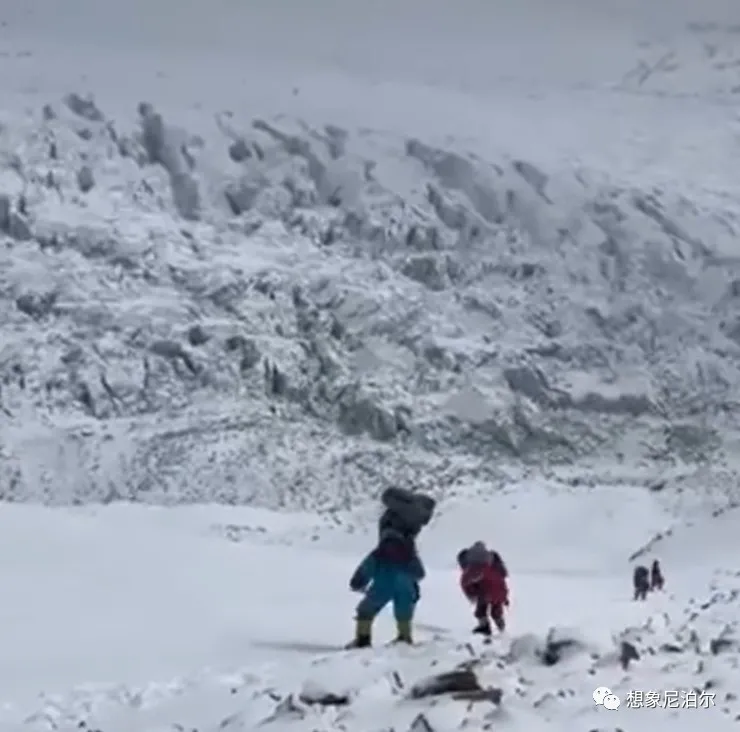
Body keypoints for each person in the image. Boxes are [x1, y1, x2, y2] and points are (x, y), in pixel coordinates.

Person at [347, 529, 425, 647]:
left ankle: (363, 640)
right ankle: (404, 638)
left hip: (383, 585)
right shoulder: (409, 553)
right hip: (406, 587)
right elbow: (420, 573)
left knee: (365, 611)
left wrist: (357, 582)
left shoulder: (378, 553)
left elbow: (366, 568)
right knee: (404, 614)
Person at [458, 541, 509, 636]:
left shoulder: (472, 569)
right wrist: (505, 597)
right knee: (496, 611)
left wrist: (472, 595)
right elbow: (501, 582)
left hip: (486, 593)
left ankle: (485, 628)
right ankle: (502, 631)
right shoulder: (493, 565)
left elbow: (466, 583)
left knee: (480, 611)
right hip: (500, 591)